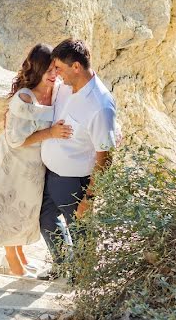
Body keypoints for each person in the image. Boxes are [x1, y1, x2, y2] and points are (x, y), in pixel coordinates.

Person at [0, 44, 73, 276]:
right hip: (12, 161)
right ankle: (12, 259)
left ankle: (19, 254)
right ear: (38, 69)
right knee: (10, 208)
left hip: (34, 165)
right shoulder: (25, 97)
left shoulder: (57, 90)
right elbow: (14, 139)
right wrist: (50, 134)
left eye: (56, 69)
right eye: (48, 70)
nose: (54, 75)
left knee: (25, 210)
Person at [38, 38, 118, 278]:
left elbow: (106, 157)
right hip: (50, 174)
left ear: (76, 67)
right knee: (45, 219)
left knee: (81, 231)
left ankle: (83, 282)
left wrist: (89, 199)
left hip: (75, 182)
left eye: (59, 68)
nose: (56, 74)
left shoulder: (100, 105)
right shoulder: (65, 86)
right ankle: (64, 267)